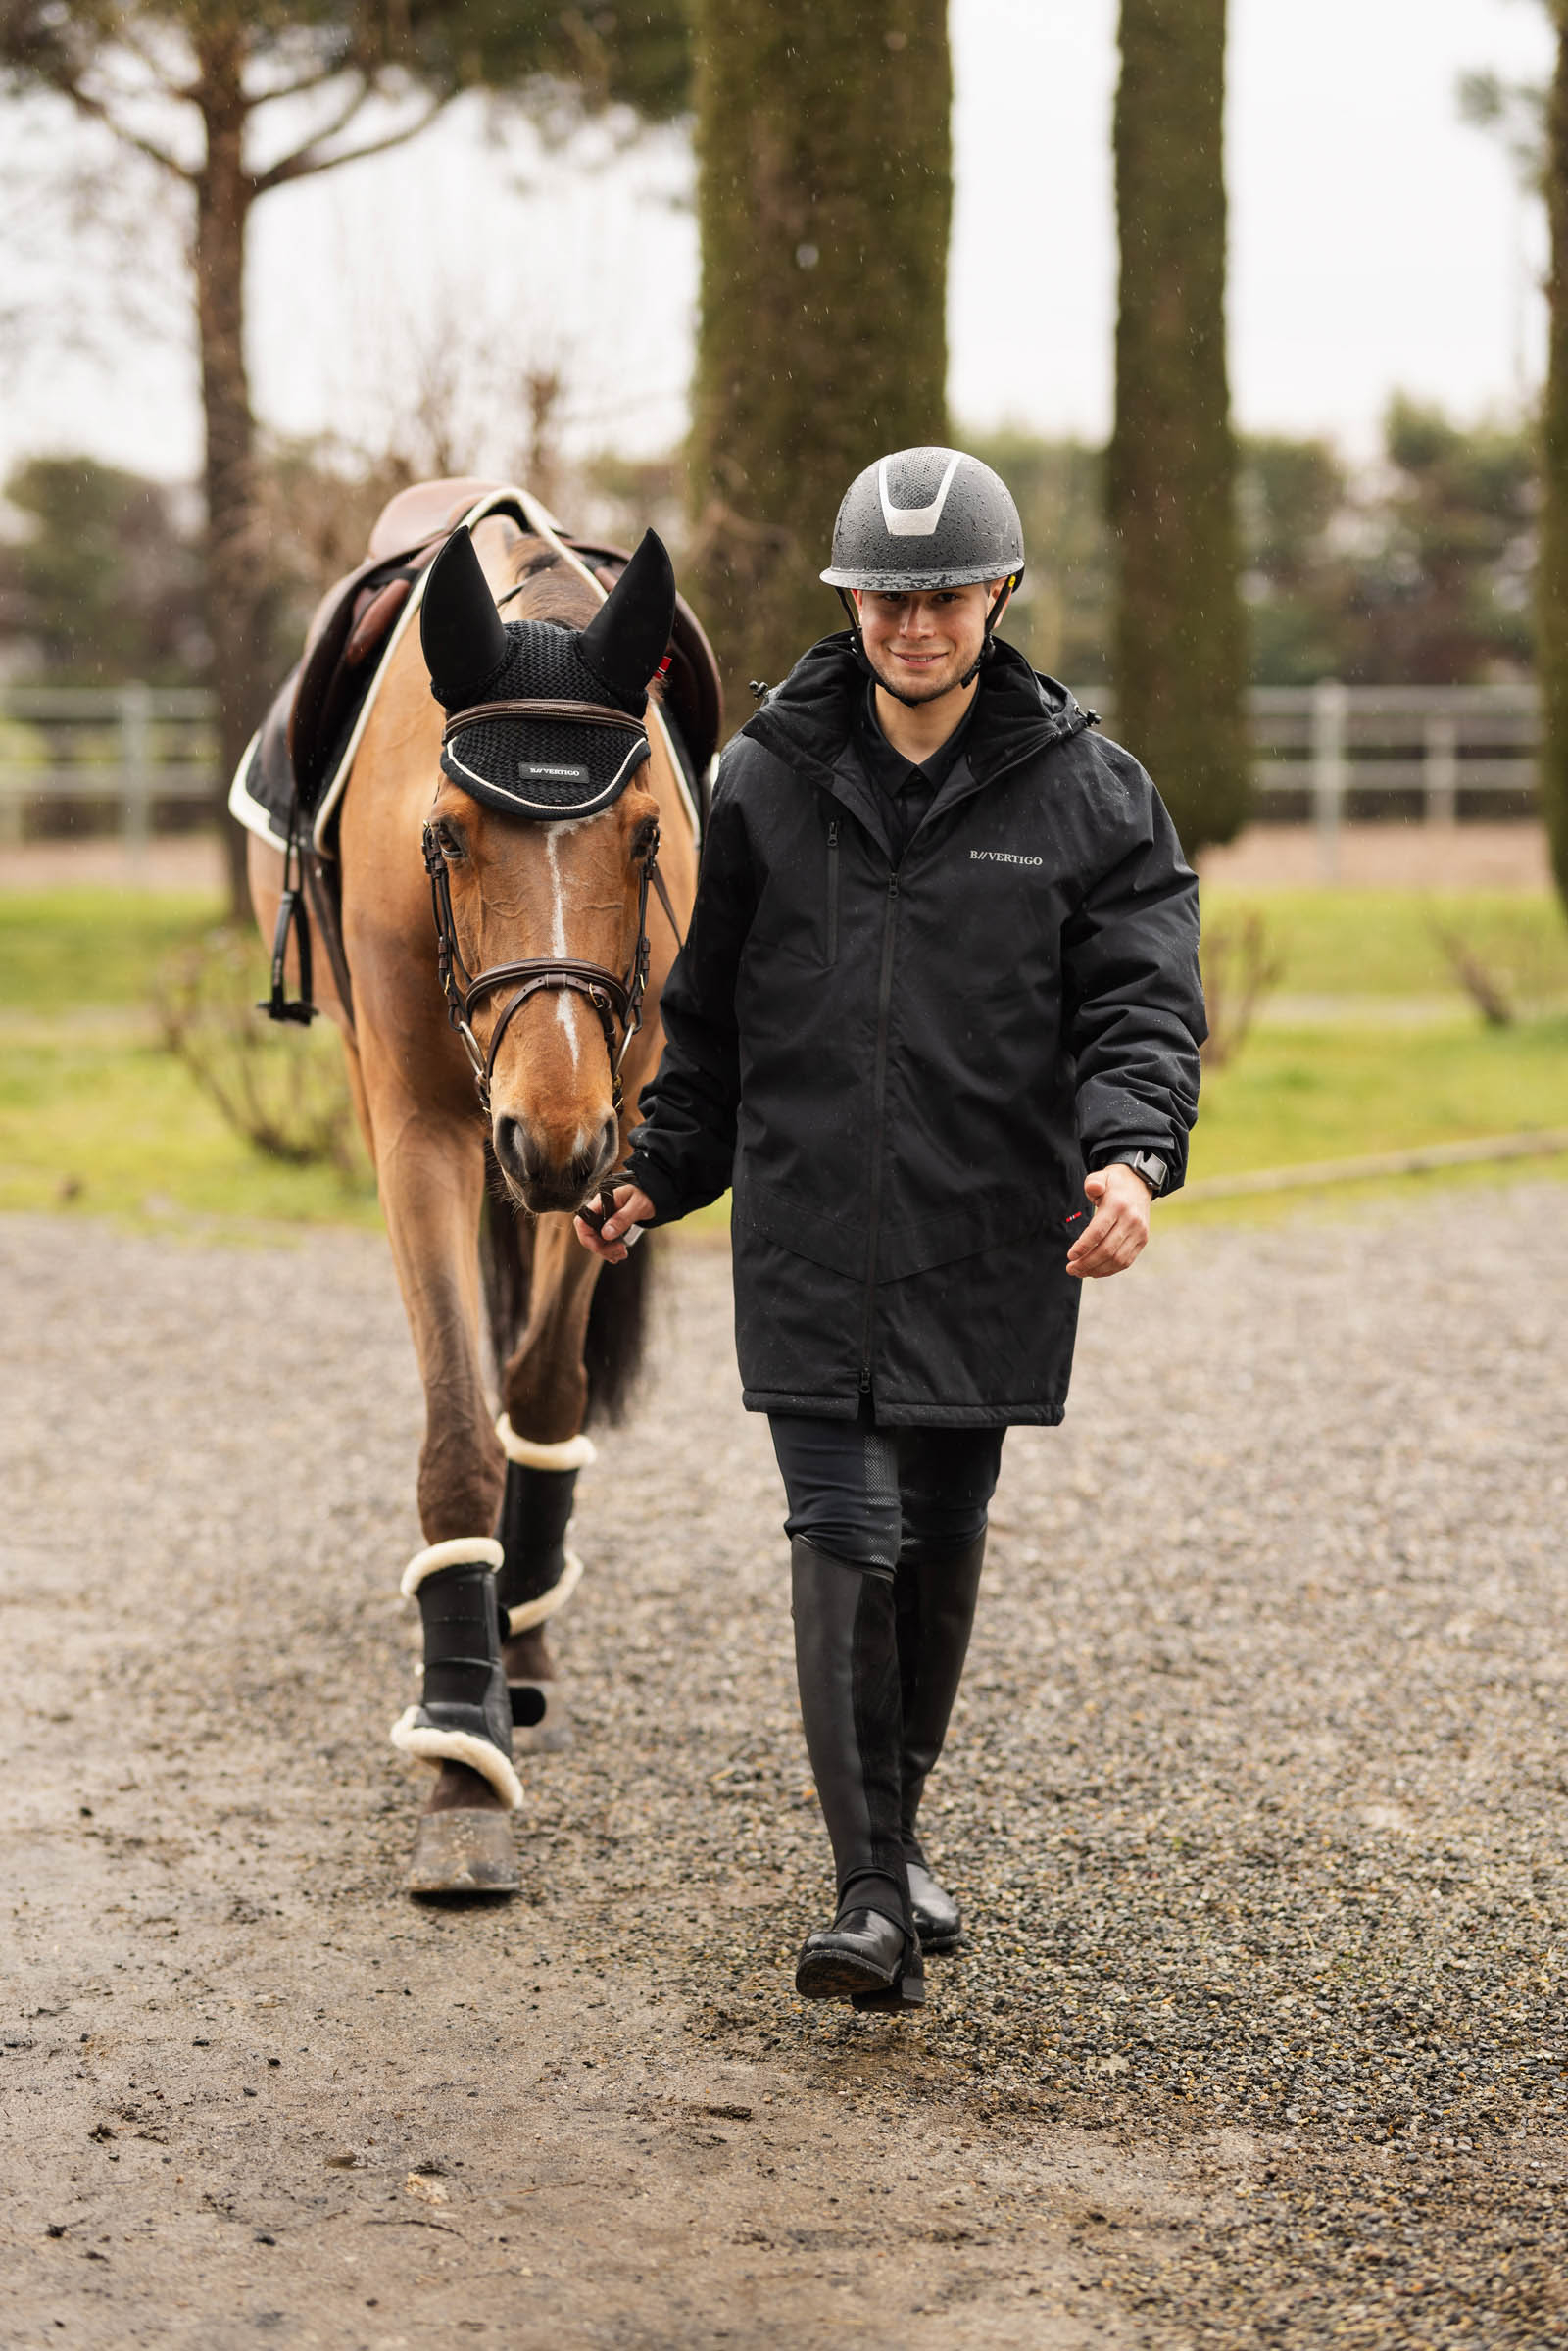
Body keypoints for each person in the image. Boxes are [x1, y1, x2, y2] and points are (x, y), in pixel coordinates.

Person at [576, 447, 1205, 2012]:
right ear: (849, 602)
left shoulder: (1093, 794)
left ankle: (898, 1834)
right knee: (842, 1528)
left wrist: (1132, 1158)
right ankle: (867, 1893)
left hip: (991, 1237)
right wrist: (656, 1169)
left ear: (999, 596)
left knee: (938, 1536)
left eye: (945, 598)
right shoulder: (763, 779)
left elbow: (1140, 1002)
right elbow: (708, 1023)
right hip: (809, 1235)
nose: (914, 627)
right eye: (885, 599)